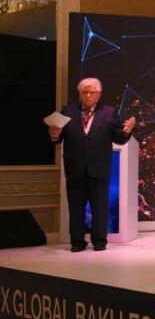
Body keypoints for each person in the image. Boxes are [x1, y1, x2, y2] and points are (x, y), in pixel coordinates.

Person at [48, 77, 136, 252]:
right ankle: (77, 242)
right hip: (75, 167)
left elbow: (118, 138)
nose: (88, 95)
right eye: (84, 92)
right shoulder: (68, 112)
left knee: (100, 207)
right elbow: (57, 139)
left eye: (92, 92)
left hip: (99, 168)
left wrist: (126, 132)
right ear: (79, 93)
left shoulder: (109, 113)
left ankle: (100, 241)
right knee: (75, 208)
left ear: (99, 95)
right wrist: (55, 134)